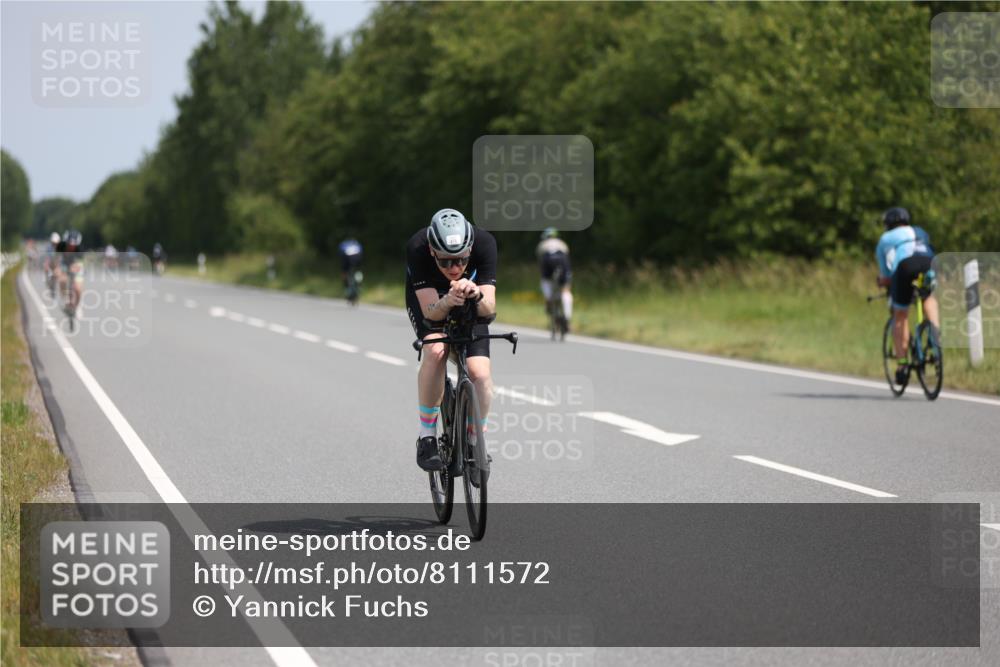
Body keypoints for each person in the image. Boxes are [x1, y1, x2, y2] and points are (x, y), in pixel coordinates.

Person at [406, 208, 497, 471]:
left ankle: (474, 440)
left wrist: (476, 295)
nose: (454, 268)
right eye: (445, 262)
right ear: (432, 251)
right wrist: (446, 300)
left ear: (470, 248)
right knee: (435, 350)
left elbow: (489, 309)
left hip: (471, 302)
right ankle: (426, 438)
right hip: (433, 301)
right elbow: (430, 312)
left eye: (461, 260)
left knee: (479, 373)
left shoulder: (485, 243)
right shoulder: (417, 247)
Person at [875, 207, 939, 384]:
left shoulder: (885, 239)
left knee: (900, 315)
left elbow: (887, 276)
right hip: (929, 264)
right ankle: (934, 335)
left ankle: (902, 365)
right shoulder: (921, 231)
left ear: (888, 224)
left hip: (905, 267)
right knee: (928, 297)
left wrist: (881, 282)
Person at [536, 227, 573, 331]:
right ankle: (567, 317)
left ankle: (549, 302)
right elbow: (567, 256)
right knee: (566, 291)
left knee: (547, 287)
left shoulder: (542, 245)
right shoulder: (562, 244)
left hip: (547, 263)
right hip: (563, 262)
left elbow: (539, 262)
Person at [59, 231, 84, 314]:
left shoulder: (80, 249)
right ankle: (66, 299)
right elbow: (61, 262)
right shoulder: (64, 249)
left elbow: (80, 263)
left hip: (77, 267)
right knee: (62, 280)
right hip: (66, 266)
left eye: (74, 244)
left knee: (78, 289)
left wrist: (75, 267)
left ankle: (77, 306)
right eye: (70, 244)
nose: (72, 246)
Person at [337, 237, 363, 302]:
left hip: (346, 259)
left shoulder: (344, 244)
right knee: (358, 270)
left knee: (344, 272)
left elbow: (340, 254)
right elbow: (361, 251)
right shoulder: (357, 244)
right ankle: (359, 282)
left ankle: (346, 287)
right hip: (357, 258)